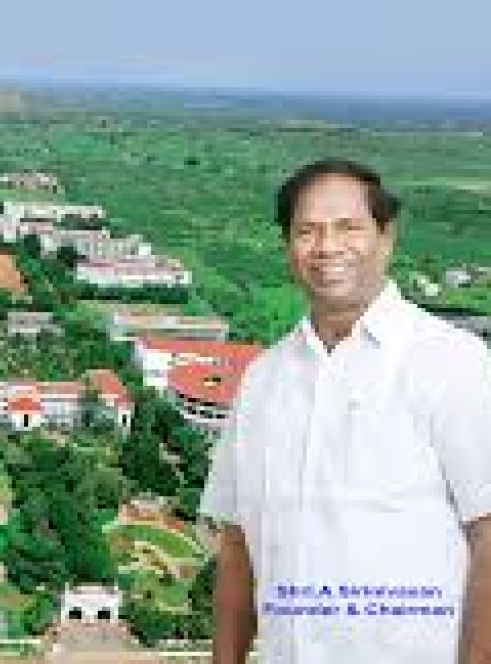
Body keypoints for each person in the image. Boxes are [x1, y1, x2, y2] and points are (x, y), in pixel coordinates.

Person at [200, 158, 491, 663]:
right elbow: (237, 547)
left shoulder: (452, 363)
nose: (327, 246)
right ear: (288, 247)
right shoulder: (263, 381)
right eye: (307, 231)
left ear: (386, 237)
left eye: (348, 227)